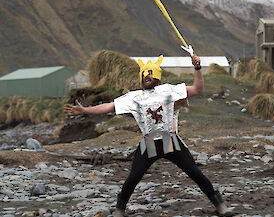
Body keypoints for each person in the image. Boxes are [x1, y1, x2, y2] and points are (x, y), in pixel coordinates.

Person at [64, 46, 234, 217]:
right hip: (149, 144)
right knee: (133, 177)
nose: (147, 75)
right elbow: (109, 107)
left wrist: (197, 68)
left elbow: (197, 89)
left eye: (151, 73)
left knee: (195, 172)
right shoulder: (133, 97)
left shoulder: (168, 90)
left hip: (170, 141)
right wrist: (86, 111)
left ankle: (220, 205)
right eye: (145, 73)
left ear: (158, 76)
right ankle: (119, 210)